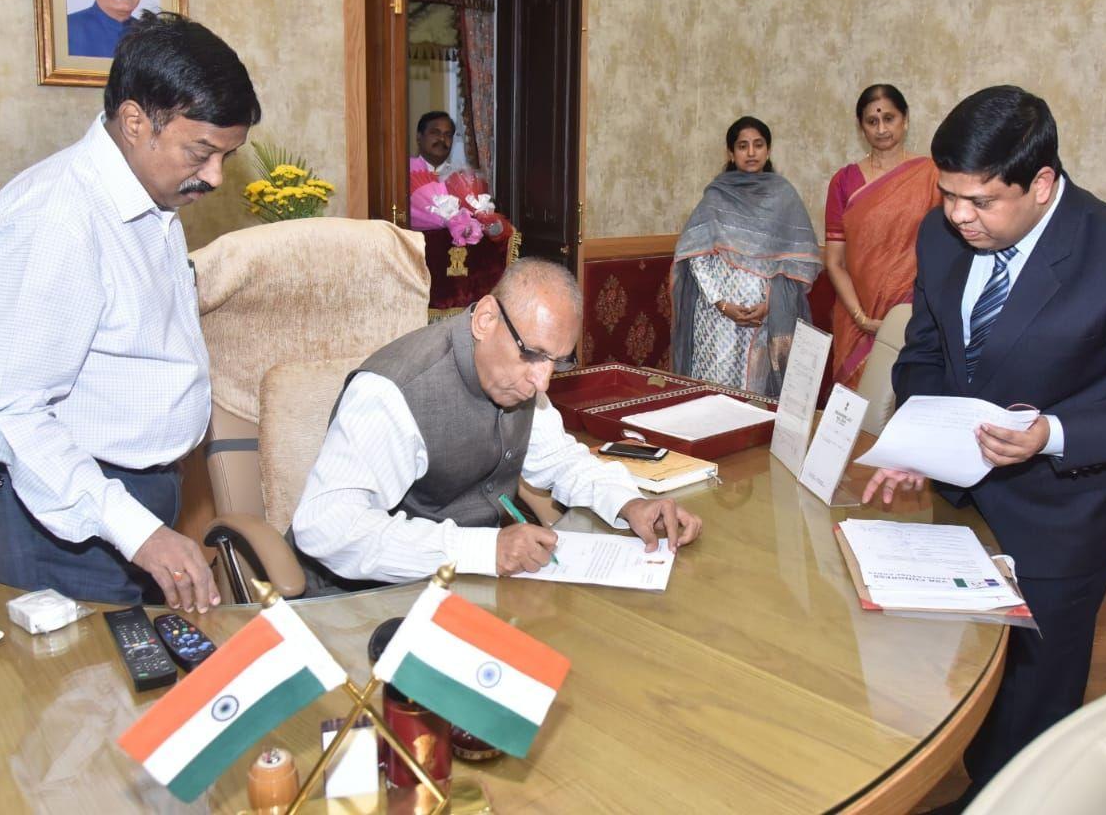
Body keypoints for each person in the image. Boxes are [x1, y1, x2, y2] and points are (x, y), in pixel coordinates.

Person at [862, 86, 1106, 808]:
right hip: (955, 505)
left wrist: (1051, 433)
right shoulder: (939, 235)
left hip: (1061, 516)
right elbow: (925, 353)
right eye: (948, 193)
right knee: (956, 677)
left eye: (981, 201)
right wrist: (917, 440)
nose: (958, 216)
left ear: (1042, 183)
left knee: (1031, 708)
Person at [0, 11, 261, 610]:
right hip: (61, 519)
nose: (214, 176)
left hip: (132, 501)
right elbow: (12, 413)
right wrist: (138, 531)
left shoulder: (150, 196)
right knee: (80, 699)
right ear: (135, 121)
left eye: (226, 156)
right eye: (201, 151)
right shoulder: (57, 218)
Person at [292, 258, 703, 584]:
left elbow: (560, 460)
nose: (542, 379)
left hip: (468, 589)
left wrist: (628, 502)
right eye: (534, 354)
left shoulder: (519, 378)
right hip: (368, 600)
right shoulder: (392, 393)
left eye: (557, 362)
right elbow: (327, 528)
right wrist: (483, 550)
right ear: (486, 319)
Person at [671, 116, 822, 396]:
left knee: (754, 395)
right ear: (731, 153)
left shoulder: (784, 196)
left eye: (758, 145)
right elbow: (696, 257)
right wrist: (722, 304)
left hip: (763, 318)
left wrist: (769, 303)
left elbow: (796, 263)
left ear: (768, 150)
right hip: (717, 321)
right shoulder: (716, 198)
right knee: (716, 393)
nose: (751, 153)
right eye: (743, 146)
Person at [824, 84, 941, 388]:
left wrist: (912, 314)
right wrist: (862, 319)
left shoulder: (931, 176)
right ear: (860, 126)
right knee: (856, 413)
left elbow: (945, 254)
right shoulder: (844, 181)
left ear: (905, 119)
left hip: (913, 315)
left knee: (903, 404)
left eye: (889, 118)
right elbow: (834, 261)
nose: (881, 129)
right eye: (872, 121)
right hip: (856, 316)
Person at [408, 111, 508, 244]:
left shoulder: (464, 177)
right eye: (435, 133)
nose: (442, 139)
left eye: (448, 135)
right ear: (419, 137)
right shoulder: (403, 174)